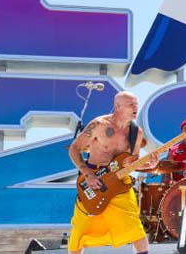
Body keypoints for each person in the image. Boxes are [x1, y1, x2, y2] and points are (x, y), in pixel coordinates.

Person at [67, 90, 157, 254]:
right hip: (94, 181)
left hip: (119, 185)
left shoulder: (136, 132)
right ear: (117, 107)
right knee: (81, 231)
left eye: (136, 104)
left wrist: (147, 164)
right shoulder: (99, 124)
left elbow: (132, 163)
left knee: (134, 227)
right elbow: (74, 148)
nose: (135, 107)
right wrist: (88, 174)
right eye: (131, 104)